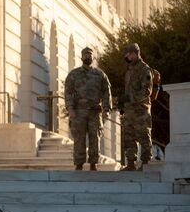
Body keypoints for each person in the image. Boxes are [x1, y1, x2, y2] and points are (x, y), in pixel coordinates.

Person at [64, 47, 112, 171]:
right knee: (79, 138)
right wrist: (70, 108)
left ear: (93, 57)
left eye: (90, 55)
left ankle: (93, 163)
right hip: (79, 112)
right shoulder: (73, 74)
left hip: (95, 112)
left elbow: (106, 92)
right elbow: (68, 92)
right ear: (81, 57)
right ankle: (79, 163)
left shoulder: (100, 74)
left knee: (95, 138)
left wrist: (106, 109)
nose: (88, 57)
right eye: (85, 55)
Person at [120, 43, 153, 171]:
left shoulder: (145, 69)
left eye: (128, 54)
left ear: (135, 53)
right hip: (129, 110)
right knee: (129, 136)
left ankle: (145, 163)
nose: (127, 57)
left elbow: (146, 92)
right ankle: (130, 163)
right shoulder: (129, 70)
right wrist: (124, 103)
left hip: (141, 110)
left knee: (144, 135)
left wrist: (131, 99)